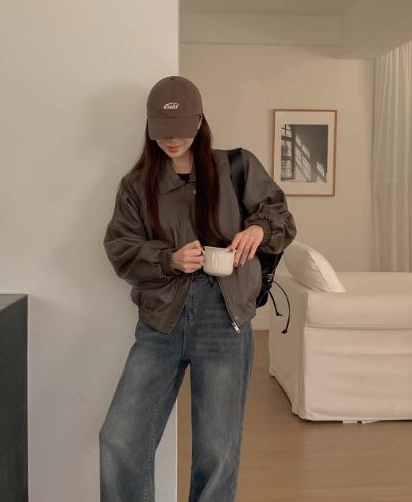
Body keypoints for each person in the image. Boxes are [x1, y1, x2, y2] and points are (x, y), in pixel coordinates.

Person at [99, 75, 297, 501]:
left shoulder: (237, 167)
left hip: (224, 320)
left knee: (216, 452)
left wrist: (259, 230)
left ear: (200, 122)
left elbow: (281, 216)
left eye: (182, 129)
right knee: (119, 438)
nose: (173, 139)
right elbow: (120, 249)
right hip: (161, 323)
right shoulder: (136, 186)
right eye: (163, 130)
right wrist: (168, 260)